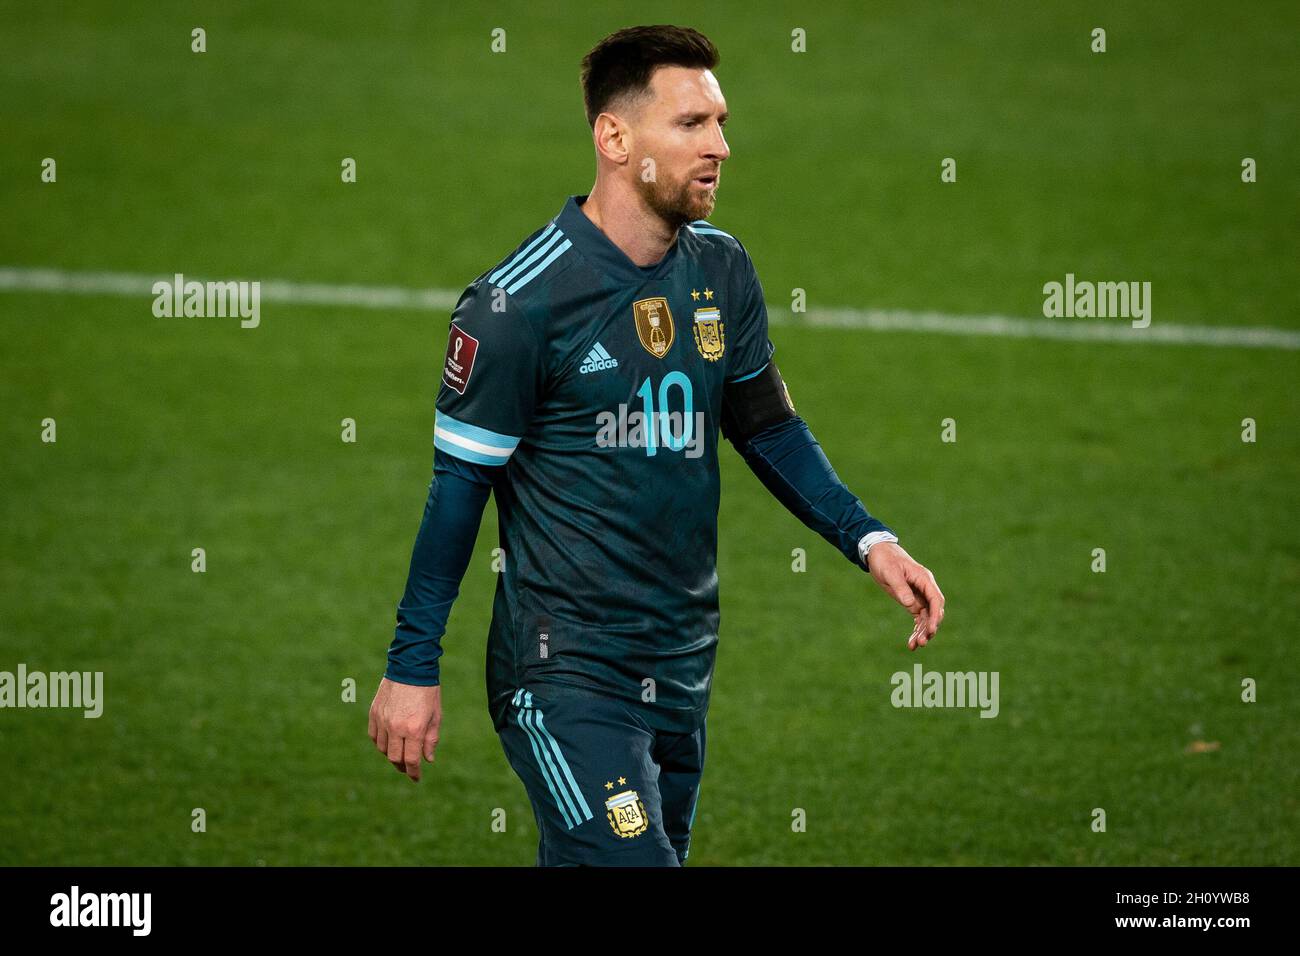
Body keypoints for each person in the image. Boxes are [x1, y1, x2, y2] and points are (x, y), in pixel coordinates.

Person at [368, 24, 945, 866]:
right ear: (614, 137)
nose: (720, 146)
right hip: (563, 675)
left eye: (720, 122)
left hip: (681, 668)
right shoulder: (516, 308)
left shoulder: (722, 271)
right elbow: (457, 491)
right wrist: (412, 666)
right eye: (691, 125)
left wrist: (870, 540)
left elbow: (769, 428)